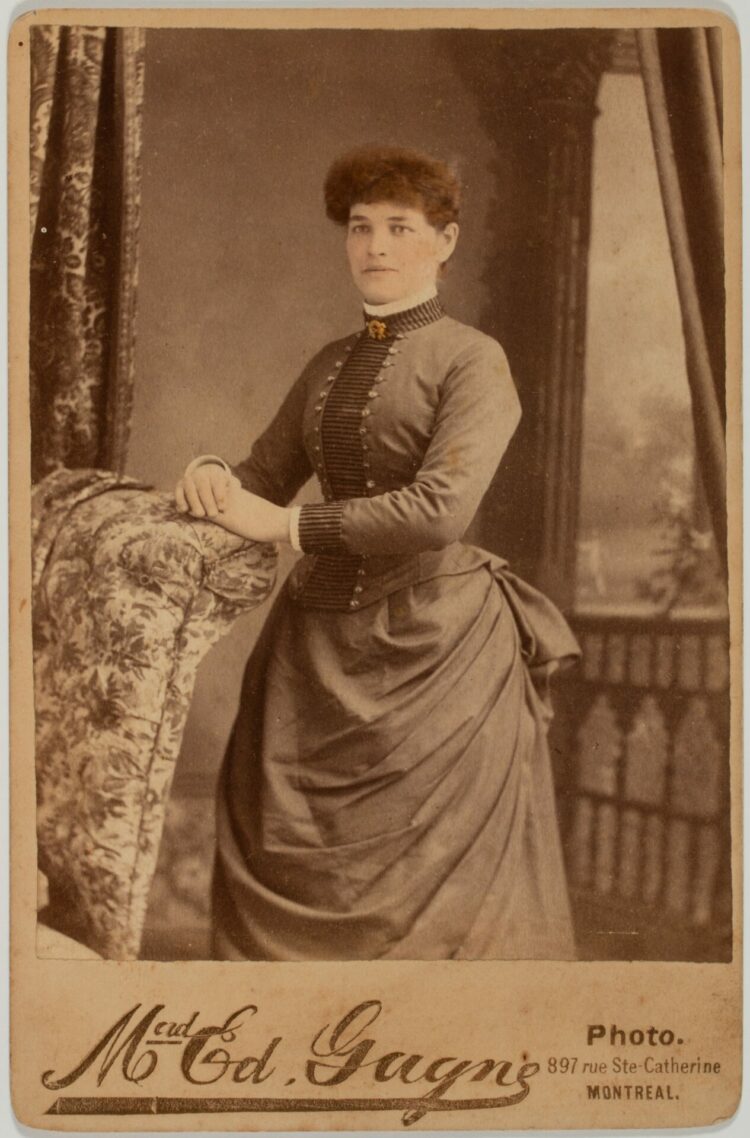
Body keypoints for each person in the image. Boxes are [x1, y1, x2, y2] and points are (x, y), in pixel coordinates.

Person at [175, 146, 579, 961]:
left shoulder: (474, 361)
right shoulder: (328, 364)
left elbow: (440, 510)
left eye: (401, 227)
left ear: (446, 241)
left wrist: (288, 530)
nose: (377, 248)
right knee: (285, 850)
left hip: (440, 650)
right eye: (360, 228)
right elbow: (262, 475)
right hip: (312, 658)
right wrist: (210, 475)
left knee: (443, 914)